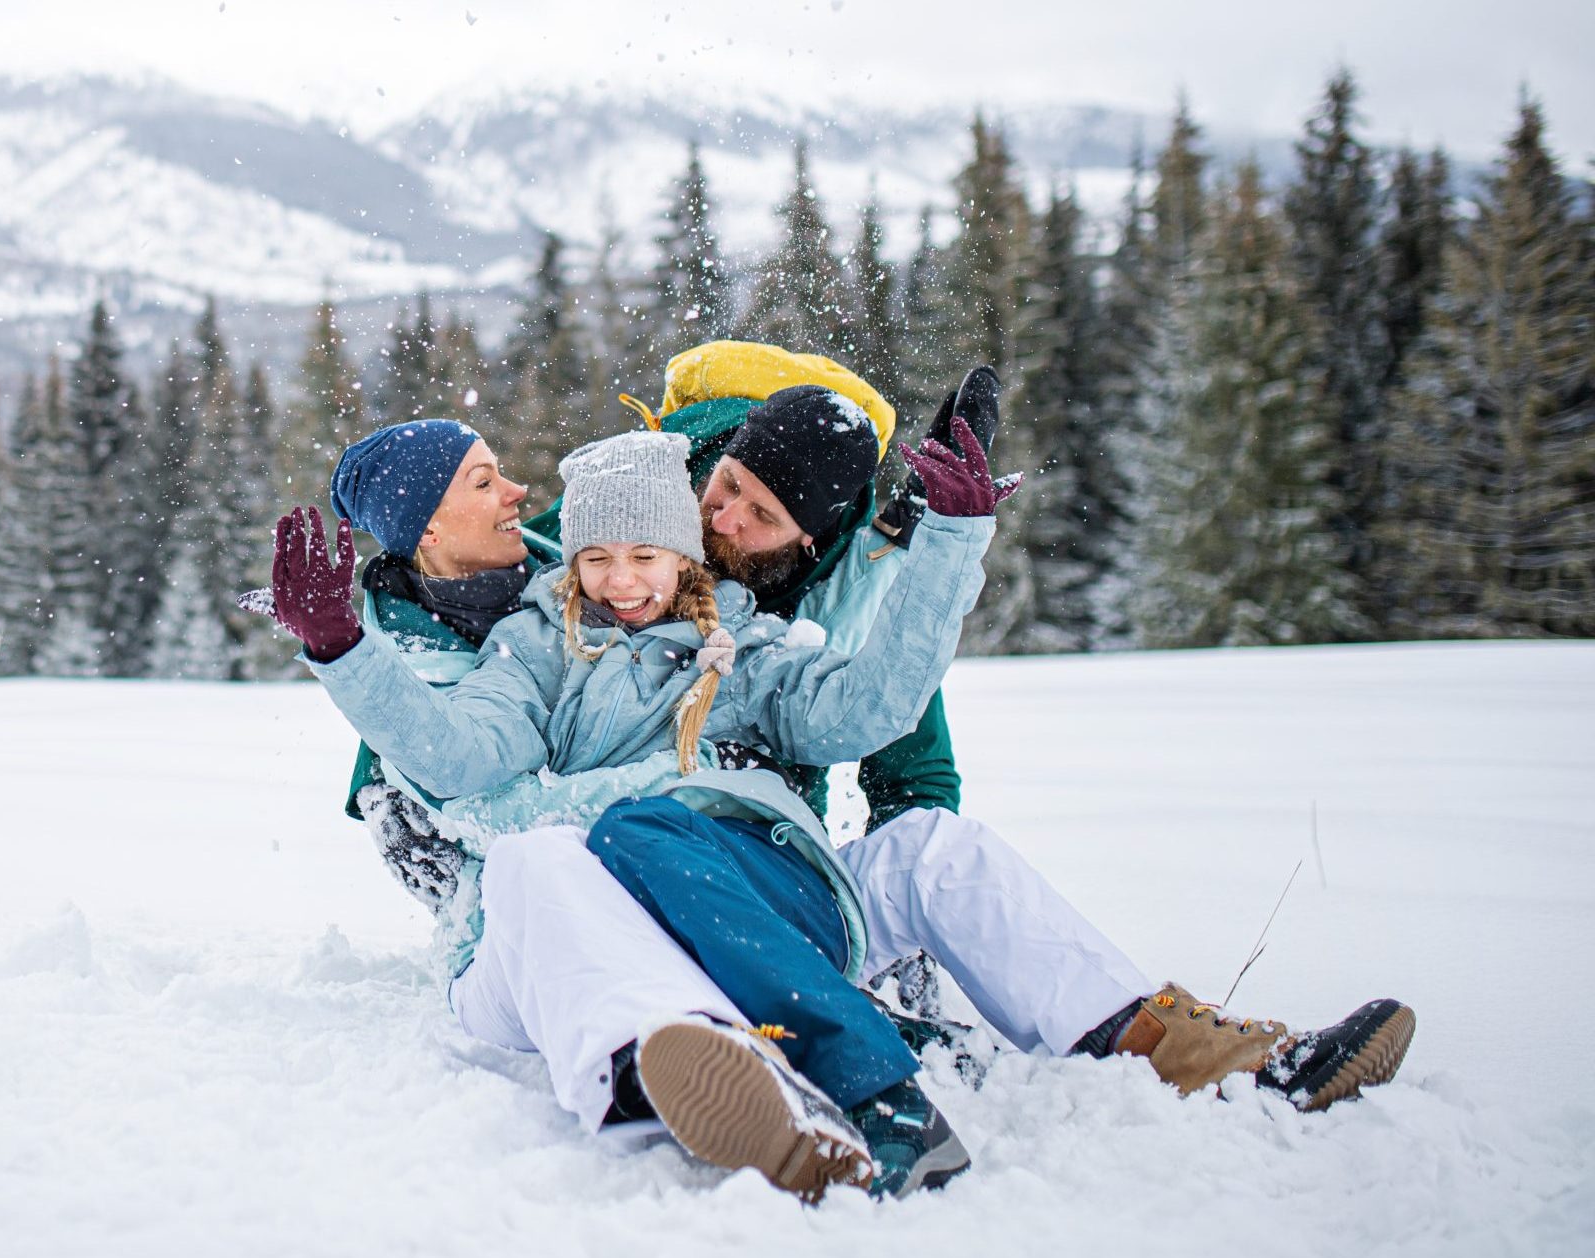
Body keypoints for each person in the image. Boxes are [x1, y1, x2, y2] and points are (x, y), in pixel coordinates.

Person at [604, 342, 1414, 1109]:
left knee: (938, 853)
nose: (726, 519)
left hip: (771, 876)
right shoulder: (620, 514)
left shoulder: (846, 594)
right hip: (634, 880)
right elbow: (508, 604)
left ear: (816, 533)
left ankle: (1185, 1052)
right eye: (728, 485)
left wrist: (912, 944)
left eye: (764, 514)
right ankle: (839, 1030)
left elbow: (901, 745)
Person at [264, 420, 1007, 1198]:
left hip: (658, 884)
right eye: (484, 482)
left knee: (670, 869)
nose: (519, 491)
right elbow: (470, 780)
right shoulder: (513, 640)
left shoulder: (606, 594)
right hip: (520, 918)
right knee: (549, 861)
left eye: (643, 558)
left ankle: (763, 1063)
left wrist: (936, 541)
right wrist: (343, 651)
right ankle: (711, 1067)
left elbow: (850, 688)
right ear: (428, 524)